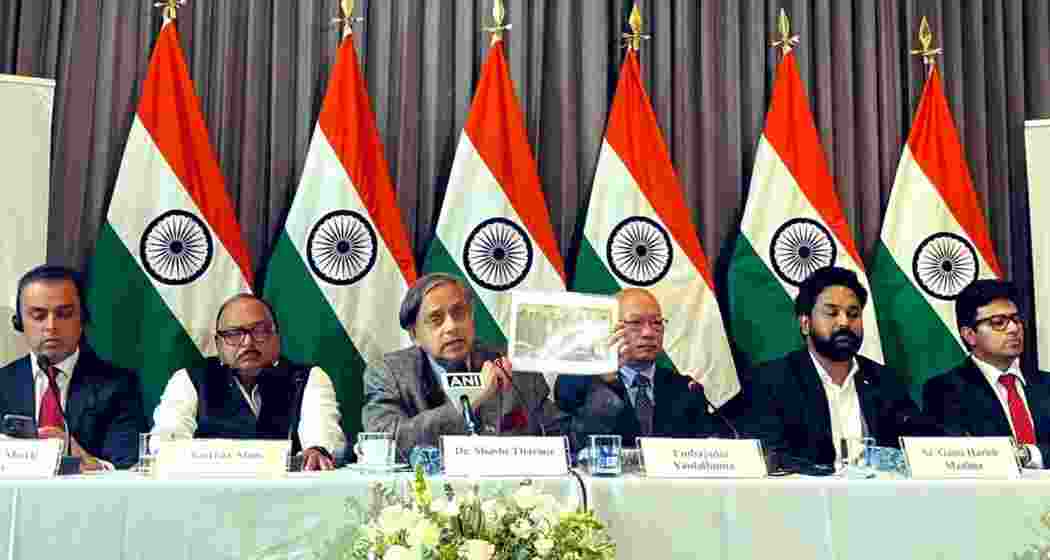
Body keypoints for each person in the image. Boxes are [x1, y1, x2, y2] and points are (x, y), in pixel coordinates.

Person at [744, 266, 936, 469]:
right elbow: (770, 458)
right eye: (832, 313)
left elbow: (917, 447)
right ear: (805, 323)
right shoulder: (772, 381)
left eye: (853, 314)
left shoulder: (884, 381)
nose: (844, 322)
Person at [361, 273, 563, 459]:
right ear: (415, 335)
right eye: (436, 319)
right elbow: (383, 445)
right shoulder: (390, 373)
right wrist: (468, 402)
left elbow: (559, 437)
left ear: (471, 317)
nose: (451, 326)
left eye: (459, 313)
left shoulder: (512, 367)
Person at [152, 294, 346, 470]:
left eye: (259, 331)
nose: (247, 343)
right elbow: (167, 439)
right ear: (218, 344)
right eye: (234, 334)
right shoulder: (189, 380)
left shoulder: (307, 378)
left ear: (277, 338)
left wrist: (317, 450)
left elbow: (322, 431)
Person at [0, 265, 145, 470]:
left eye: (64, 314)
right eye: (39, 316)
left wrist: (91, 464)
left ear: (82, 319)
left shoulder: (118, 386)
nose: (51, 326)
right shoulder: (3, 384)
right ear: (19, 322)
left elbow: (129, 466)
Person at [554, 288, 735, 451]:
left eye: (656, 323)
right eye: (635, 323)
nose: (648, 333)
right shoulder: (576, 382)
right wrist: (608, 383)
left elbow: (704, 454)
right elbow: (575, 446)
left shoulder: (685, 389)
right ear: (609, 329)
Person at [923, 280, 1050, 468]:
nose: (1014, 329)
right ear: (970, 335)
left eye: (1016, 319)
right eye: (999, 323)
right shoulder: (945, 390)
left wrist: (1027, 454)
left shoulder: (1046, 384)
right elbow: (960, 457)